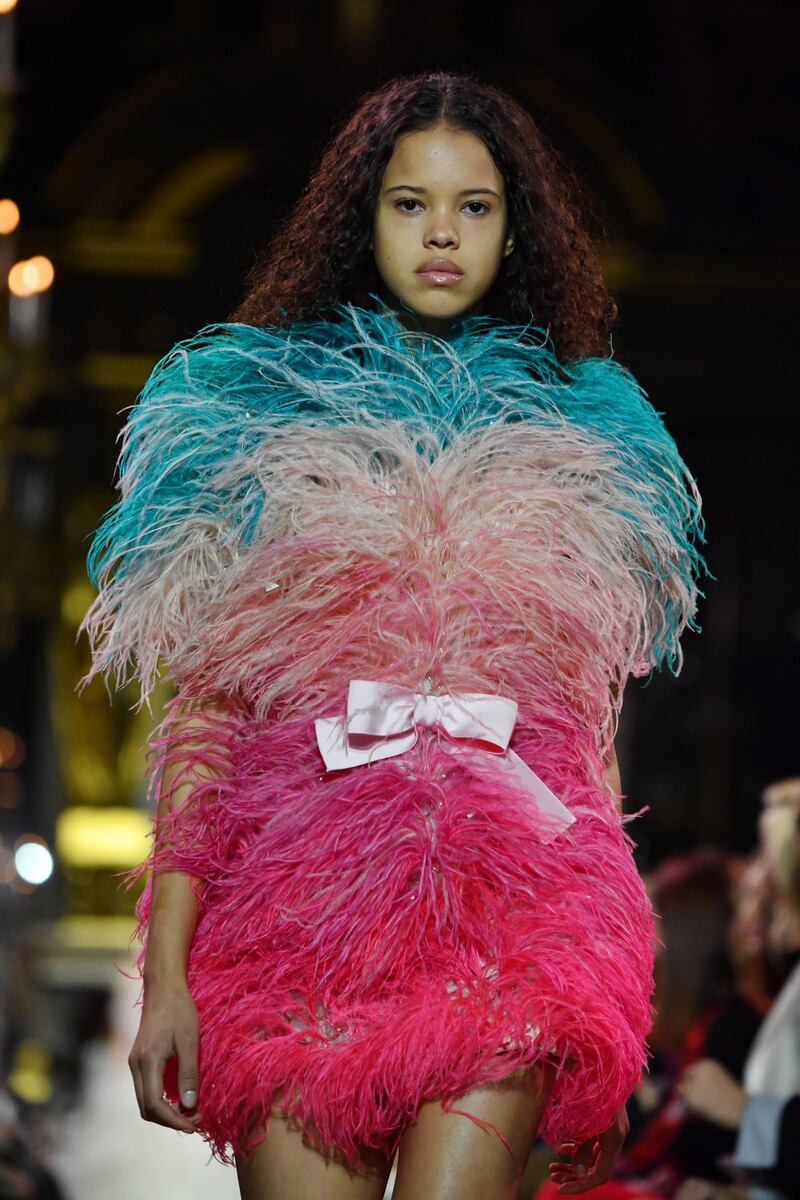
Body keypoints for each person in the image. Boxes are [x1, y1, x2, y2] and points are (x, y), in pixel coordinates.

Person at [77, 70, 709, 1200]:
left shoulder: (582, 429)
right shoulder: (254, 417)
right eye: (409, 204)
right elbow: (205, 718)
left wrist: (614, 992)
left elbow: (579, 735)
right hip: (295, 919)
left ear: (513, 228)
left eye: (473, 207)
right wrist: (163, 977)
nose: (440, 235)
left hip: (511, 917)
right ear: (361, 217)